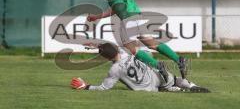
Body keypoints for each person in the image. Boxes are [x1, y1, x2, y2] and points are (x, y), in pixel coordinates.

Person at [87, 0, 187, 79]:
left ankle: (159, 66)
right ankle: (179, 60)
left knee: (131, 48)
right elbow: (113, 9)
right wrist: (96, 17)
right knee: (150, 43)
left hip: (129, 16)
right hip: (133, 15)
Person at [71, 43, 209, 93]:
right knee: (174, 79)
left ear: (106, 58)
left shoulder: (114, 70)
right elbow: (113, 47)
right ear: (117, 51)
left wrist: (86, 86)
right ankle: (190, 85)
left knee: (166, 89)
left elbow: (103, 88)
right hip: (156, 75)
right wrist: (97, 45)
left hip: (148, 88)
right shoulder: (125, 53)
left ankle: (176, 90)